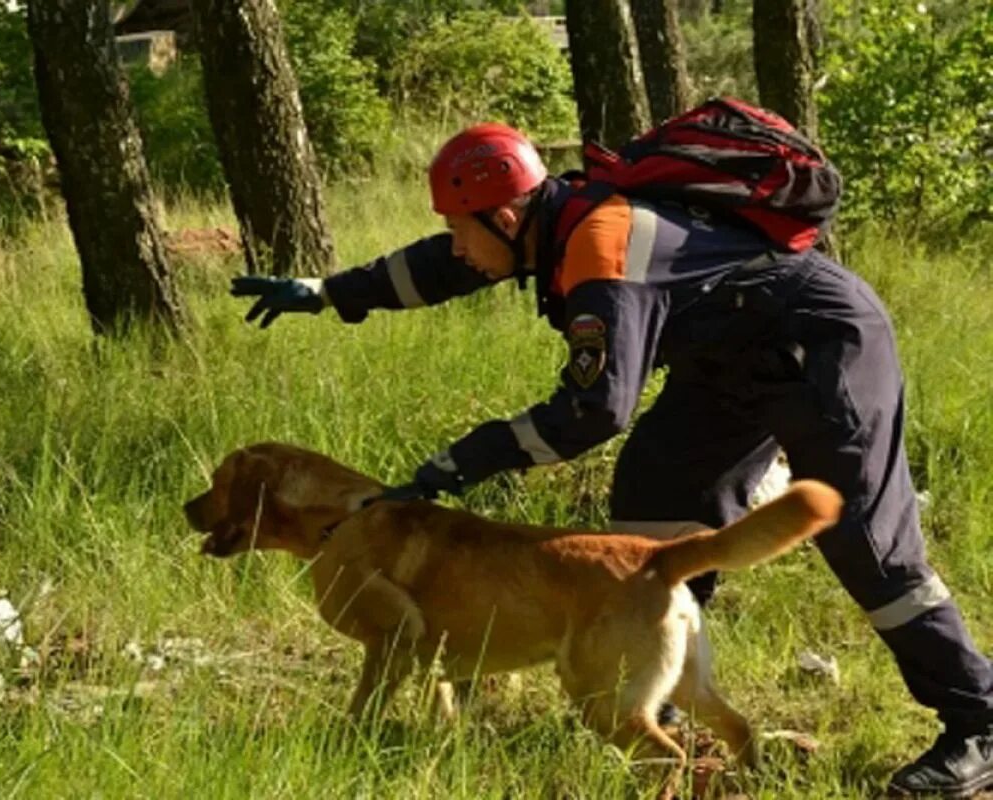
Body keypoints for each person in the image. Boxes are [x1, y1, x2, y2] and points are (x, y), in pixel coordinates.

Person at [230, 122, 993, 797]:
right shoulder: (547, 220)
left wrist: (462, 461)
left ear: (506, 214)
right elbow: (449, 262)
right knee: (656, 492)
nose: (457, 245)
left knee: (865, 540)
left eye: (463, 228)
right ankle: (652, 689)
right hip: (729, 364)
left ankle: (978, 724)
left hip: (823, 347)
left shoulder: (596, 240)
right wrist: (329, 292)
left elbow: (595, 410)